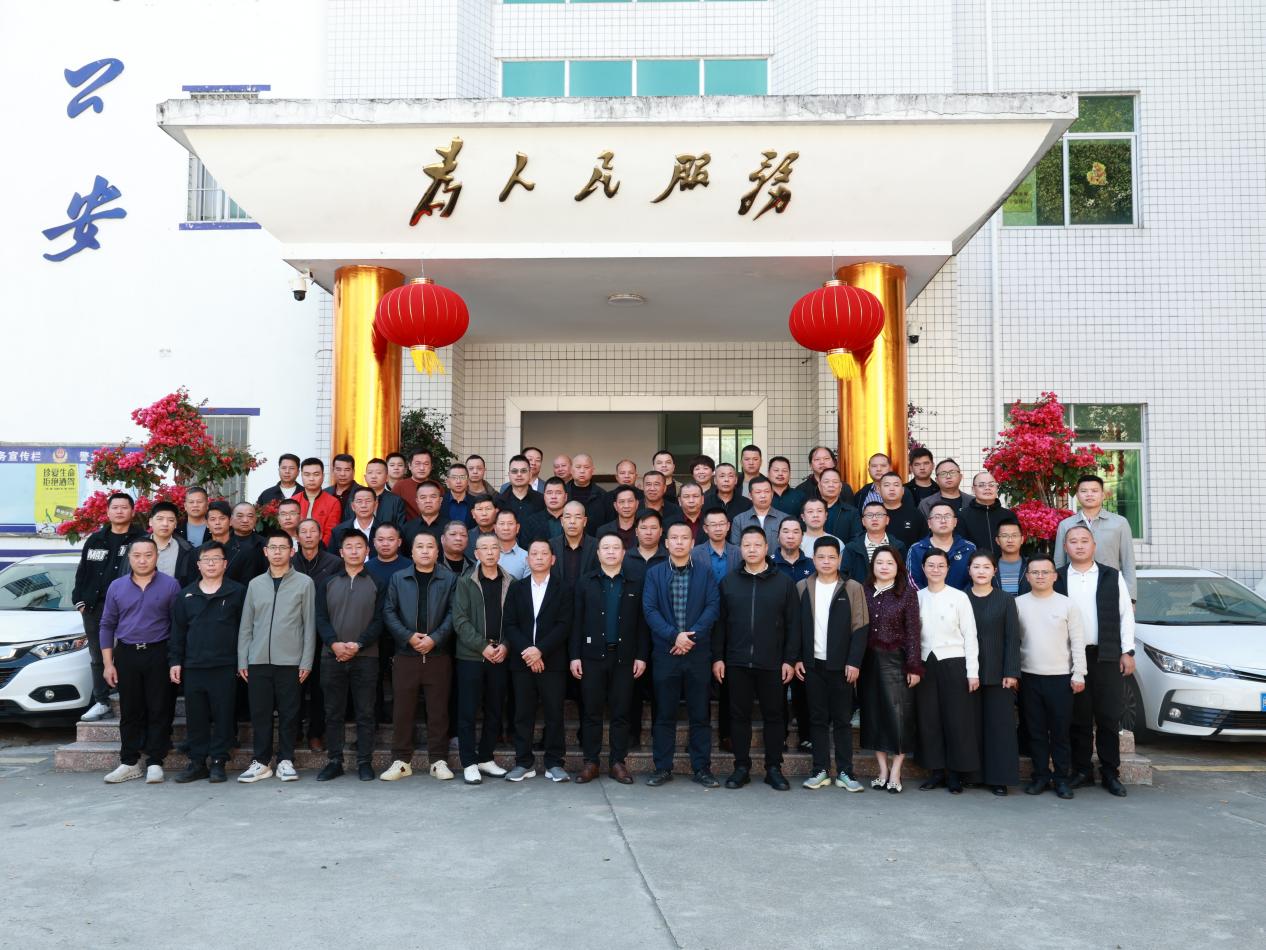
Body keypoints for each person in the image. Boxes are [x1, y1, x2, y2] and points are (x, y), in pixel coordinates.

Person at [712, 526, 799, 791]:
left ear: (766, 548)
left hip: (772, 662)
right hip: (736, 662)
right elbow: (720, 624)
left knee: (775, 716)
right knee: (739, 716)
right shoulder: (729, 582)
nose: (751, 550)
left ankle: (774, 768)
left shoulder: (783, 582)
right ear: (740, 549)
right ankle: (741, 767)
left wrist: (789, 659)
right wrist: (718, 658)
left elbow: (794, 625)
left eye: (757, 545)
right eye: (746, 545)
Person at [1056, 524, 1136, 797]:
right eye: (1073, 541)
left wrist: (1128, 651)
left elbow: (1125, 615)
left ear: (1094, 545)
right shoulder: (1058, 577)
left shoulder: (1111, 576)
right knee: (1078, 717)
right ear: (1065, 547)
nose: (1079, 545)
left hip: (1106, 655)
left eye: (1084, 541)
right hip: (1070, 657)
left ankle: (1110, 772)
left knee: (1108, 716)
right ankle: (1081, 771)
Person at [642, 522, 721, 788]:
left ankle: (702, 768)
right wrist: (674, 636)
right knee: (664, 714)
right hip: (666, 654)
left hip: (697, 654)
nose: (678, 542)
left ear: (692, 543)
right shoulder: (654, 574)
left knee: (700, 715)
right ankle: (662, 767)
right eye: (674, 538)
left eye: (684, 538)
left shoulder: (705, 572)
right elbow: (650, 610)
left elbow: (712, 607)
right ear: (666, 543)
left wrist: (690, 638)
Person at [98, 538, 182, 785]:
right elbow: (107, 625)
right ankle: (129, 762)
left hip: (159, 652)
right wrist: (108, 664)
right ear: (130, 558)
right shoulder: (117, 586)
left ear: (156, 557)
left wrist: (175, 659)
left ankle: (156, 761)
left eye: (148, 555)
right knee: (130, 710)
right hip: (127, 653)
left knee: (160, 708)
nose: (142, 560)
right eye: (137, 555)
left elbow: (177, 625)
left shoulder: (170, 585)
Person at [236, 529, 316, 784]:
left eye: (283, 547)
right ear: (265, 551)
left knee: (289, 713)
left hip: (290, 661)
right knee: (260, 713)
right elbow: (246, 625)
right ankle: (261, 762)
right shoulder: (255, 584)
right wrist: (243, 659)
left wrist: (306, 661)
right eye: (273, 548)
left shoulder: (304, 583)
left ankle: (285, 760)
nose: (278, 552)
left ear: (292, 552)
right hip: (258, 659)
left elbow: (309, 625)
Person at [570, 531, 650, 784]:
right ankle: (591, 762)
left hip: (625, 658)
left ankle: (618, 762)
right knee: (591, 712)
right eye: (606, 548)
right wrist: (574, 656)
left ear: (624, 553)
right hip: (592, 657)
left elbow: (642, 623)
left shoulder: (635, 582)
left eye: (616, 548)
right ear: (598, 553)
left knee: (621, 712)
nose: (611, 552)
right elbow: (576, 621)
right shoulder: (586, 582)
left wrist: (642, 656)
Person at [380, 533, 459, 782]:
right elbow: (389, 611)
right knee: (402, 711)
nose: (425, 551)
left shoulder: (449, 579)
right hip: (406, 654)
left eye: (430, 546)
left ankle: (438, 760)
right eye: (420, 547)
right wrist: (408, 637)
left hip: (438, 654)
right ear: (411, 552)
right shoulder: (398, 578)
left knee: (439, 711)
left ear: (438, 551)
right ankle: (401, 761)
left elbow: (454, 612)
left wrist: (435, 638)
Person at [311, 529, 385, 783]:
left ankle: (365, 761)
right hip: (332, 656)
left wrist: (359, 644)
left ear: (367, 551)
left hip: (367, 657)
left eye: (359, 546)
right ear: (341, 552)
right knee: (333, 712)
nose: (354, 551)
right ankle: (335, 761)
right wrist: (334, 644)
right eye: (349, 547)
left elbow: (380, 619)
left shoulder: (377, 582)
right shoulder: (328, 582)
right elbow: (320, 618)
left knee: (365, 712)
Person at [169, 540, 245, 784]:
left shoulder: (237, 592)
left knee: (224, 716)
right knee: (196, 717)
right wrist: (175, 661)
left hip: (225, 666)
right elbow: (178, 631)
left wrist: (242, 661)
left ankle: (219, 762)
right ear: (198, 565)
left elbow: (245, 630)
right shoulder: (186, 594)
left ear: (225, 564)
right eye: (206, 560)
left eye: (216, 559)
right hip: (194, 666)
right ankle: (197, 763)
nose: (211, 564)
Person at [795, 537, 868, 792]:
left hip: (842, 666)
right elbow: (795, 627)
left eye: (831, 557)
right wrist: (797, 658)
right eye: (821, 557)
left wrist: (854, 661)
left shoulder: (852, 587)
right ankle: (820, 770)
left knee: (842, 720)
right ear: (813, 559)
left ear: (839, 559)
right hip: (812, 664)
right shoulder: (803, 586)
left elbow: (861, 627)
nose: (826, 561)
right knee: (817, 719)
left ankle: (846, 771)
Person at [1015, 555, 1086, 799]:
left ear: (1055, 576)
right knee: (1035, 732)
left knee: (1060, 733)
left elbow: (1077, 642)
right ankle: (1041, 776)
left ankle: (1062, 779)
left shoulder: (1067, 605)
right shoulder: (1018, 604)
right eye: (1035, 572)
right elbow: (1014, 642)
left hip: (1061, 678)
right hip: (1029, 677)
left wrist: (1079, 673)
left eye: (1045, 572)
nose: (1040, 576)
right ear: (1027, 577)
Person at [503, 539, 572, 783]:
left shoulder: (564, 588)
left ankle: (555, 763)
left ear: (553, 559)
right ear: (527, 559)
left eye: (544, 553)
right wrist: (529, 652)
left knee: (554, 713)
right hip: (522, 661)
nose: (539, 557)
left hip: (552, 661)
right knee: (523, 713)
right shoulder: (517, 588)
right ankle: (523, 762)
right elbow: (510, 624)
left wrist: (540, 650)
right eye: (534, 553)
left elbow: (564, 625)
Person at [75, 491, 147, 723]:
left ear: (132, 511)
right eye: (115, 507)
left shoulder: (141, 540)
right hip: (95, 607)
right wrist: (80, 601)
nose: (119, 511)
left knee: (127, 653)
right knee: (98, 655)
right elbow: (82, 572)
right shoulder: (95, 540)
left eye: (124, 507)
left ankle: (128, 698)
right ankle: (102, 701)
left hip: (128, 607)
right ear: (107, 512)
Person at [915, 549, 981, 795]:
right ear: (923, 568)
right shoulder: (917, 597)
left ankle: (955, 774)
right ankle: (935, 772)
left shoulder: (959, 597)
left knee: (956, 719)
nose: (936, 569)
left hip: (954, 662)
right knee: (929, 718)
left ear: (948, 569)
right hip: (925, 663)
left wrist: (973, 672)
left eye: (941, 565)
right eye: (931, 565)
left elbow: (970, 635)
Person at [452, 534, 514, 785]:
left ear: (500, 552)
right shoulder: (465, 581)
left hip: (500, 656)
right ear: (476, 554)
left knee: (495, 709)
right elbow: (460, 620)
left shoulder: (511, 582)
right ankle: (469, 762)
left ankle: (486, 757)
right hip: (471, 656)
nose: (489, 552)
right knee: (467, 710)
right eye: (484, 548)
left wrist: (506, 645)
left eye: (494, 548)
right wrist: (482, 646)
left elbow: (516, 620)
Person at [860, 547, 922, 793]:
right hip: (868, 662)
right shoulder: (863, 590)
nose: (884, 567)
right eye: (880, 562)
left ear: (898, 567)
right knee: (874, 715)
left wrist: (914, 666)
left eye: (890, 563)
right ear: (872, 566)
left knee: (898, 717)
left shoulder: (907, 593)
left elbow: (913, 632)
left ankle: (896, 771)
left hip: (897, 661)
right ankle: (882, 770)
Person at [965, 552, 1021, 795]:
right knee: (971, 725)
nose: (981, 571)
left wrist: (1011, 671)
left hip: (999, 673)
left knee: (1000, 727)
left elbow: (1013, 638)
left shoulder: (1005, 599)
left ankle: (999, 778)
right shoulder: (961, 598)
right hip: (968, 673)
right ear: (969, 570)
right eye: (976, 567)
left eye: (986, 567)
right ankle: (974, 774)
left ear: (994, 571)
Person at [1053, 474, 1137, 600]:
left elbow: (1128, 562)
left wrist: (1131, 598)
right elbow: (1059, 561)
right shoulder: (1066, 525)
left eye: (1094, 491)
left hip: (1109, 587)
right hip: (1074, 588)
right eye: (1084, 491)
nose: (1089, 494)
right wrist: (1057, 594)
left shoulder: (1120, 523)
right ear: (1077, 495)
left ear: (1103, 495)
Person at [906, 503, 976, 590]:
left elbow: (974, 580)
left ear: (955, 522)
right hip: (925, 598)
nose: (943, 521)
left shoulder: (969, 548)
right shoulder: (916, 549)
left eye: (947, 516)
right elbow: (912, 582)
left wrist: (959, 597)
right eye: (937, 517)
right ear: (929, 523)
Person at [958, 472, 1018, 557]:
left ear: (997, 488)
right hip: (976, 564)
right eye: (982, 485)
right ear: (973, 489)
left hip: (1005, 563)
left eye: (991, 485)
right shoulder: (962, 516)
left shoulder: (1008, 515)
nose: (987, 488)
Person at [845, 502, 907, 583]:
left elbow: (903, 575)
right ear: (863, 521)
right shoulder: (851, 548)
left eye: (879, 515)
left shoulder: (899, 546)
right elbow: (845, 577)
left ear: (887, 520)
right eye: (869, 515)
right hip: (860, 590)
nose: (874, 518)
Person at [148, 501, 198, 587]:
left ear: (175, 524)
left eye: (171, 520)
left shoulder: (187, 550)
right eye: (160, 519)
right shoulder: (135, 547)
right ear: (150, 522)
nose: (165, 524)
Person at [729, 475, 786, 549]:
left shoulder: (784, 519)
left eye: (767, 491)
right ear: (750, 496)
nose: (763, 496)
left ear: (772, 494)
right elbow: (735, 549)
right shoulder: (739, 520)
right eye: (758, 492)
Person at [549, 500, 597, 586]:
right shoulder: (550, 546)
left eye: (577, 517)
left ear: (584, 521)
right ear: (562, 521)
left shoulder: (597, 546)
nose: (572, 521)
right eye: (568, 517)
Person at [587, 459, 644, 529]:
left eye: (631, 473)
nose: (627, 476)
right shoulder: (606, 497)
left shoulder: (644, 496)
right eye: (622, 473)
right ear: (616, 477)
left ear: (636, 476)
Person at [297, 457, 341, 544]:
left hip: (322, 549)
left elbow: (330, 532)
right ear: (301, 476)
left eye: (316, 474)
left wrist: (318, 549)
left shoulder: (333, 503)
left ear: (323, 476)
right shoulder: (294, 500)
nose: (311, 479)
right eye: (307, 475)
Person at [877, 472, 927, 550]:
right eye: (887, 485)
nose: (892, 489)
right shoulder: (873, 514)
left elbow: (924, 542)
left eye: (896, 485)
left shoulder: (915, 514)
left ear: (903, 490)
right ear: (879, 490)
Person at [691, 506, 740, 584]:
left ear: (728, 526)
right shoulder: (695, 553)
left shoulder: (739, 552)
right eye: (713, 525)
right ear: (705, 529)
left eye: (721, 524)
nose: (718, 529)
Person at [496, 453, 546, 524]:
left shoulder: (541, 500)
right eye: (514, 471)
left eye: (523, 471)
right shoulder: (499, 502)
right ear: (509, 475)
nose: (519, 474)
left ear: (530, 474)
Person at [225, 503, 267, 586]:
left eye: (250, 516)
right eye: (240, 516)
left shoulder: (265, 544)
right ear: (231, 520)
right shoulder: (223, 543)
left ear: (256, 520)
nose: (245, 520)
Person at [331, 485, 382, 552]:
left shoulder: (384, 531)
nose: (363, 505)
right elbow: (333, 557)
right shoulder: (339, 531)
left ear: (375, 505)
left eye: (368, 501)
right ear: (353, 506)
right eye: (359, 501)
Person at [818, 468, 862, 544]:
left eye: (835, 482)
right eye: (826, 482)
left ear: (840, 486)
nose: (831, 485)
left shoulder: (852, 512)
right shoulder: (809, 510)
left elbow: (856, 540)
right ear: (819, 486)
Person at [363, 457, 407, 528]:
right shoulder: (356, 499)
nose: (373, 476)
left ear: (387, 477)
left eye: (378, 473)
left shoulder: (396, 501)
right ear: (365, 477)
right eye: (370, 472)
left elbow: (401, 528)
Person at [403, 480, 447, 550]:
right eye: (423, 497)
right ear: (417, 501)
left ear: (440, 500)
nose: (428, 501)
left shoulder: (450, 528)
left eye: (433, 497)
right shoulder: (406, 529)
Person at [523, 476, 568, 545]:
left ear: (565, 497)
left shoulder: (572, 520)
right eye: (549, 493)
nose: (553, 497)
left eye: (558, 493)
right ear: (544, 496)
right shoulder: (531, 521)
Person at [392, 449, 434, 521]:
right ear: (409, 466)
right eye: (417, 464)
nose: (422, 468)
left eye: (426, 464)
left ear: (431, 466)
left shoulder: (437, 486)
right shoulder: (399, 486)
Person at [597, 485, 640, 550]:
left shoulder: (644, 529)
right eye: (622, 502)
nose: (626, 506)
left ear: (637, 504)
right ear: (615, 506)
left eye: (630, 501)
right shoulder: (603, 531)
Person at [492, 508, 530, 580]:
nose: (506, 528)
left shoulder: (527, 557)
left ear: (517, 527)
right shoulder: (485, 555)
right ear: (495, 528)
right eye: (502, 523)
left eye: (510, 523)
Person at [994, 522, 1030, 595]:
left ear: (1022, 539)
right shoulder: (990, 566)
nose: (1010, 540)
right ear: (997, 540)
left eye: (1014, 535)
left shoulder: (1030, 566)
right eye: (1004, 536)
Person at [325, 453, 362, 517]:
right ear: (333, 471)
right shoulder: (325, 493)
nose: (342, 474)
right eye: (338, 470)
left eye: (347, 470)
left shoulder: (363, 492)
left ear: (353, 472)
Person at [441, 462, 475, 527]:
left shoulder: (475, 503)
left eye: (462, 477)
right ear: (447, 482)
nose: (458, 481)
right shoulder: (439, 502)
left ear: (468, 481)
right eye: (454, 477)